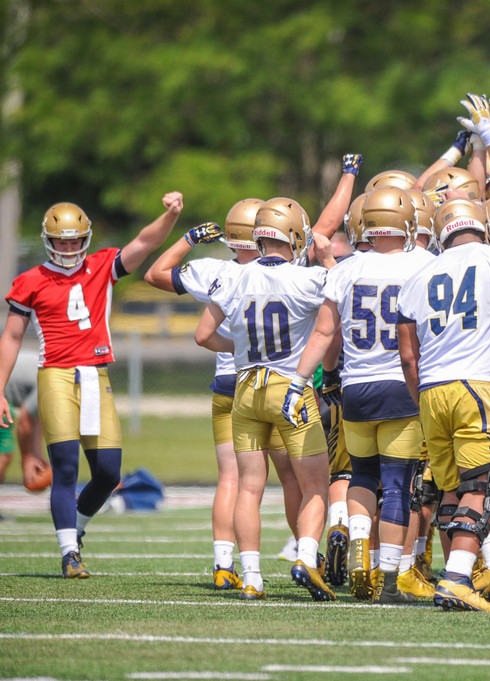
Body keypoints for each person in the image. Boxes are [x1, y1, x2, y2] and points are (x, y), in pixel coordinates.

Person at [0, 192, 184, 577]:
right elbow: (12, 337)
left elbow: (145, 242)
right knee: (65, 466)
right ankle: (69, 552)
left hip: (95, 374)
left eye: (74, 240)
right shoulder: (30, 281)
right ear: (48, 242)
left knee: (108, 472)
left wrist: (169, 215)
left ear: (85, 239)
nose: (68, 248)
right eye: (61, 241)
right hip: (56, 374)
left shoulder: (102, 266)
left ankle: (77, 529)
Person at [397, 198, 490, 612]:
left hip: (432, 390)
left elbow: (408, 357)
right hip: (481, 385)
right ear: (482, 225)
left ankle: (456, 574)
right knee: (486, 484)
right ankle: (458, 578)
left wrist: (422, 397)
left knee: (450, 488)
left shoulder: (418, 274)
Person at [292, 186, 435, 604]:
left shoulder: (345, 269)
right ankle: (389, 579)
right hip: (402, 385)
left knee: (362, 476)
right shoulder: (425, 264)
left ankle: (358, 542)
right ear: (407, 225)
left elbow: (325, 334)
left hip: (357, 388)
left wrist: (310, 380)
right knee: (398, 485)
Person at [194, 197, 337, 601]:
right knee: (315, 485)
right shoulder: (308, 279)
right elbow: (332, 317)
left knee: (250, 488)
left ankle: (252, 577)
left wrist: (241, 350)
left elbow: (203, 335)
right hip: (290, 387)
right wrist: (327, 259)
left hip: (245, 387)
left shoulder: (234, 276)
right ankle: (307, 556)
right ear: (294, 235)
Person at [0, 351, 48, 491]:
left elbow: (35, 418)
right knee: (4, 450)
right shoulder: (52, 383)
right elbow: (25, 420)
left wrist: (37, 454)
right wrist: (28, 458)